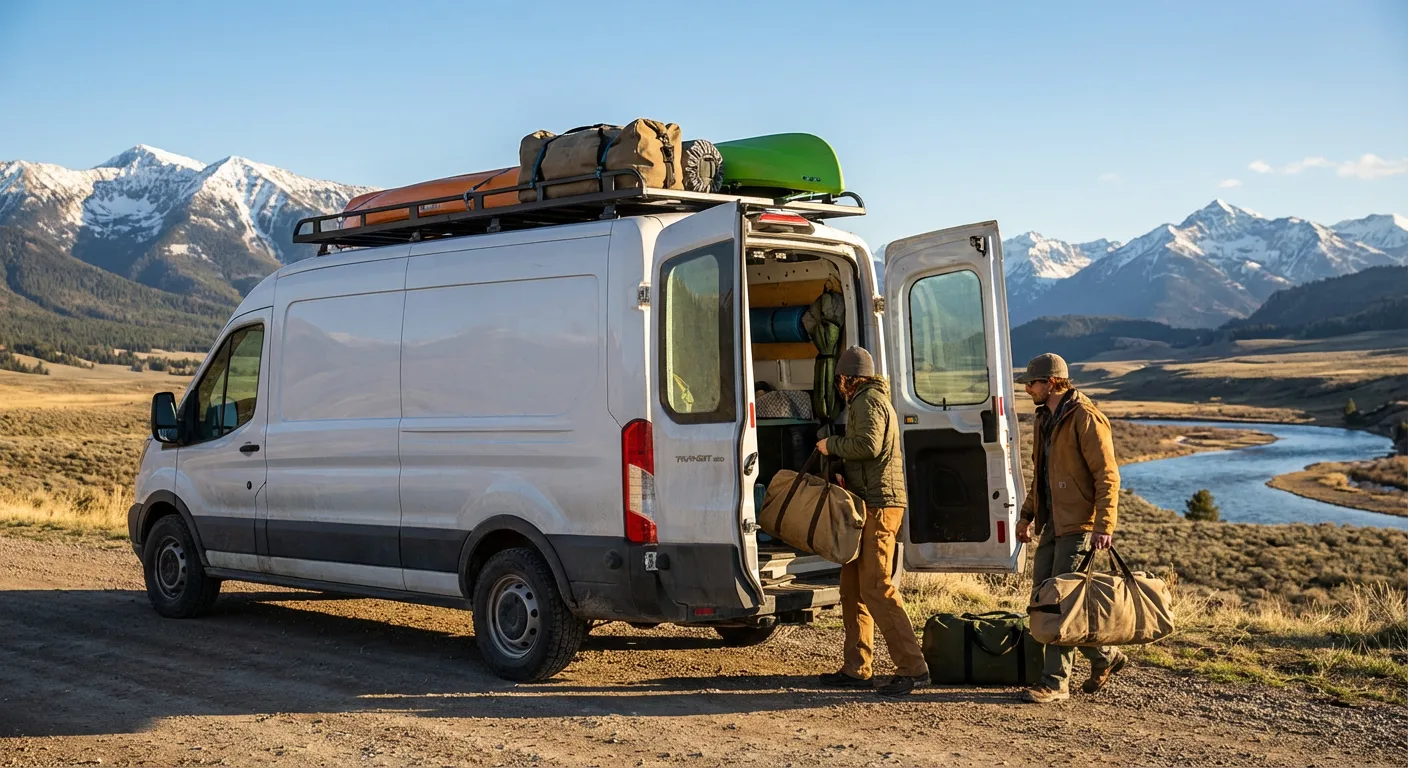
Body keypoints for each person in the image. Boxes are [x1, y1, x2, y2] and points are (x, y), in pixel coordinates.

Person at [814, 346, 929, 697]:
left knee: (876, 587)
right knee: (852, 587)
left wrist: (830, 445)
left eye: (840, 380)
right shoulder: (869, 400)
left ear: (849, 378)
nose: (838, 386)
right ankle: (857, 667)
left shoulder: (868, 401)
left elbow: (867, 445)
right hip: (867, 504)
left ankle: (913, 668)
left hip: (880, 506)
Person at [1015, 353, 1128, 703]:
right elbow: (1042, 476)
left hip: (1079, 525)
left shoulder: (1086, 418)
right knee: (1044, 600)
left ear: (1050, 382)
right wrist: (1027, 515)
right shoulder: (1044, 418)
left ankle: (1055, 682)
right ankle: (1105, 656)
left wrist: (1104, 525)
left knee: (1059, 603)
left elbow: (1108, 476)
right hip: (1053, 523)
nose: (1027, 388)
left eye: (1031, 383)